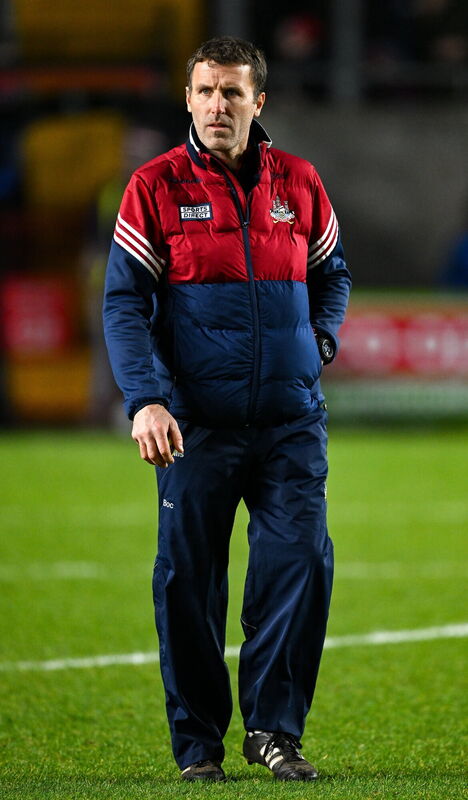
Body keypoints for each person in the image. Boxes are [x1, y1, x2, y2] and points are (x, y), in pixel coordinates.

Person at [103, 36, 351, 783]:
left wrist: (321, 340)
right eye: (206, 91)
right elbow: (123, 303)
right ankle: (198, 746)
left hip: (290, 421)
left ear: (258, 103)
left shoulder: (299, 183)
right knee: (188, 580)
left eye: (232, 93)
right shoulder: (153, 186)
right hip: (195, 426)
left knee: (299, 561)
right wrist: (145, 399)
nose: (218, 105)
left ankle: (275, 731)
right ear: (187, 99)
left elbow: (331, 272)